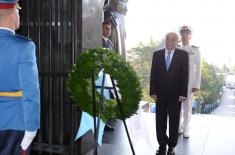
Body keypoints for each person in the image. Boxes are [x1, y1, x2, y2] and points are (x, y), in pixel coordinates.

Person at [0, 1, 40, 155]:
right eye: (18, 12)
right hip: (14, 121)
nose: (19, 16)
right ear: (11, 14)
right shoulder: (24, 46)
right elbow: (31, 90)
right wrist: (31, 127)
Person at [150, 32, 189, 155]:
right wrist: (152, 91)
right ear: (165, 40)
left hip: (176, 95)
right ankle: (162, 144)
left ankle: (172, 146)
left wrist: (183, 93)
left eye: (173, 40)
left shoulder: (183, 55)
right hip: (159, 94)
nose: (170, 42)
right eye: (168, 39)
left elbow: (185, 75)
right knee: (160, 120)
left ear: (177, 42)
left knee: (174, 121)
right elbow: (153, 74)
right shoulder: (157, 54)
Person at [178, 25, 201, 138]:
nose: (184, 36)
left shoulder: (195, 50)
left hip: (189, 83)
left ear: (190, 36)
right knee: (176, 106)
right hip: (176, 83)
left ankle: (186, 128)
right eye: (182, 34)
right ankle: (178, 127)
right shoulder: (176, 48)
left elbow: (198, 69)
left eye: (186, 34)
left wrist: (196, 85)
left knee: (187, 107)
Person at [102, 21, 115, 132]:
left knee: (108, 99)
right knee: (102, 99)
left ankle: (105, 122)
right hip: (101, 75)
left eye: (110, 29)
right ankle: (102, 123)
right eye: (106, 28)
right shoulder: (98, 41)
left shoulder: (110, 43)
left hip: (109, 75)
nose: (108, 30)